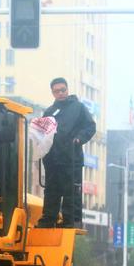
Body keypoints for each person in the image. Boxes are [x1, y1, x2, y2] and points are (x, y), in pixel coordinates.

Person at [37, 77, 97, 228]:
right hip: (52, 159)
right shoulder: (50, 112)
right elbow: (42, 133)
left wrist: (78, 139)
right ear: (53, 93)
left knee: (71, 190)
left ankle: (71, 221)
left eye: (63, 90)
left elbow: (90, 127)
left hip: (71, 158)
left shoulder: (78, 108)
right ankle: (48, 219)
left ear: (67, 90)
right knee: (51, 190)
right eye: (57, 91)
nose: (61, 93)